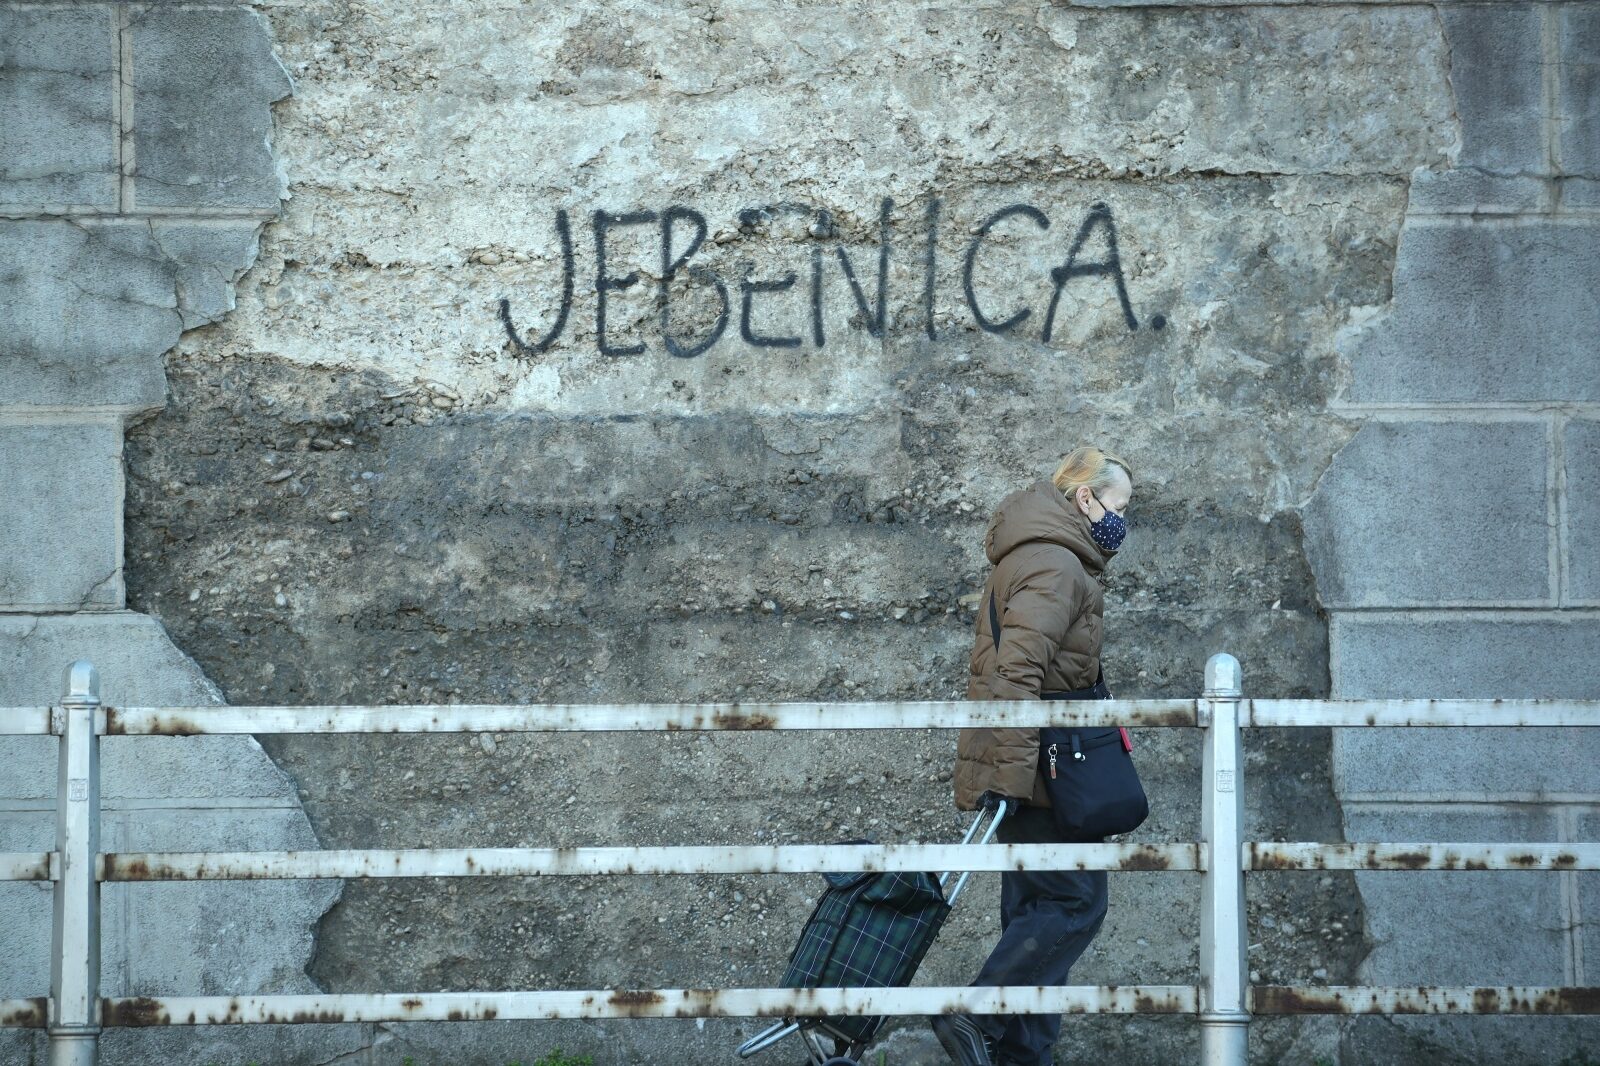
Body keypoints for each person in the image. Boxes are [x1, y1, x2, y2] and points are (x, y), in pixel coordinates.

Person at [931, 445, 1133, 1066]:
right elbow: (1015, 675)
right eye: (1118, 507)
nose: (1121, 522)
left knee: (1032, 916)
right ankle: (980, 1010)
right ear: (1084, 499)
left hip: (1030, 767)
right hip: (1045, 772)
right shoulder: (1057, 567)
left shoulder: (1039, 556)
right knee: (1073, 905)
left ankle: (1020, 1056)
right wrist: (1014, 778)